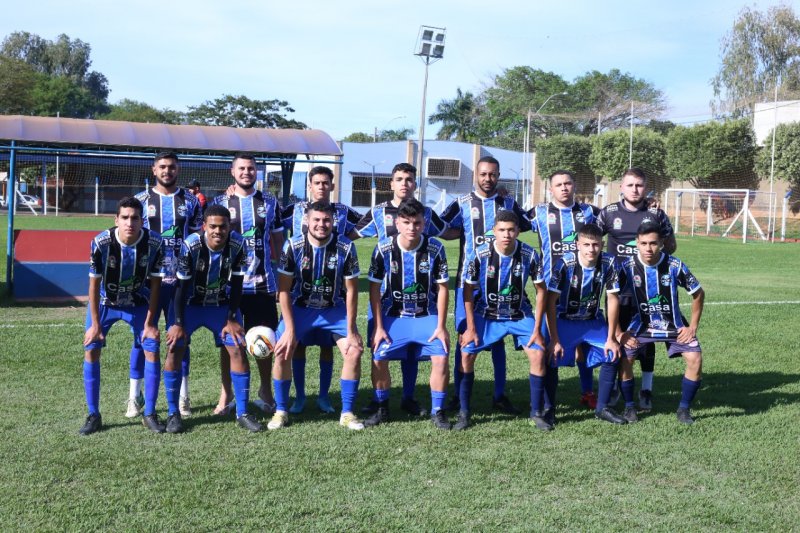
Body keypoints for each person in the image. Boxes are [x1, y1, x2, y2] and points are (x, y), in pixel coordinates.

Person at [351, 162, 448, 417]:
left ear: (415, 184)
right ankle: (379, 401)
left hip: (420, 299)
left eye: (409, 179)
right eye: (399, 179)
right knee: (380, 349)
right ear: (391, 183)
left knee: (412, 353)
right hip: (385, 299)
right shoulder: (378, 212)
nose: (404, 183)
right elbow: (351, 233)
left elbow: (448, 232)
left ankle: (408, 397)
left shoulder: (424, 213)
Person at [440, 155, 532, 414]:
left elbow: (525, 223)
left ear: (498, 174)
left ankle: (499, 395)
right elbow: (444, 227)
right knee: (465, 337)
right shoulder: (462, 203)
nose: (488, 179)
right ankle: (459, 395)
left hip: (503, 280)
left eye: (492, 174)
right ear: (475, 176)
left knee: (498, 338)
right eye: (483, 174)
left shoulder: (508, 202)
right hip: (469, 283)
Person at [164, 204, 262, 433]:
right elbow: (180, 287)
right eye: (213, 227)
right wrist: (178, 323)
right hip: (189, 304)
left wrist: (231, 318)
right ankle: (172, 413)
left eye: (223, 227)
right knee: (175, 347)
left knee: (237, 346)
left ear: (230, 227)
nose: (218, 231)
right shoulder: (191, 245)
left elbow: (237, 284)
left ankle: (243, 412)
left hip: (220, 305)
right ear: (204, 226)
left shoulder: (238, 244)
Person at [269, 202, 365, 431]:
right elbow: (283, 290)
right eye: (317, 220)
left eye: (326, 220)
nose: (321, 225)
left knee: (354, 350)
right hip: (300, 309)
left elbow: (351, 290)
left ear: (333, 222)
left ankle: (347, 412)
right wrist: (290, 330)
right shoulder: (293, 246)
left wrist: (351, 330)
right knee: (282, 350)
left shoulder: (346, 247)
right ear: (307, 221)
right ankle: (281, 410)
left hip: (334, 309)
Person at [363, 198, 452, 430]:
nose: (412, 228)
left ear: (424, 224)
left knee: (441, 355)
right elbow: (373, 289)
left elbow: (443, 288)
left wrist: (441, 326)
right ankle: (382, 408)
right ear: (397, 223)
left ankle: (438, 411)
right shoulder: (383, 248)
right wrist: (379, 327)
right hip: (394, 316)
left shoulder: (435, 248)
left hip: (426, 315)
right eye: (407, 222)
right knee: (379, 356)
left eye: (417, 223)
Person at [79, 197, 165, 435]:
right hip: (107, 301)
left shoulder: (155, 243)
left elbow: (156, 285)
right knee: (91, 346)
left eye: (135, 218)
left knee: (151, 346)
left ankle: (149, 414)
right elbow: (94, 286)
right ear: (116, 220)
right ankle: (93, 414)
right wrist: (95, 325)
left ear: (142, 221)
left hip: (138, 301)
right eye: (124, 218)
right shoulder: (101, 243)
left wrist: (150, 323)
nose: (130, 223)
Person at [280, 166, 361, 415]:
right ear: (309, 185)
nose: (321, 187)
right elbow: (269, 221)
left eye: (326, 183)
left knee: (329, 346)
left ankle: (325, 398)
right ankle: (299, 398)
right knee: (297, 344)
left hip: (331, 296)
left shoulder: (343, 212)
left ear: (332, 186)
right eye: (317, 183)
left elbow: (368, 224)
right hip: (300, 293)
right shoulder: (293, 211)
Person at [596, 167, 676, 411]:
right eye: (630, 185)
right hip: (618, 289)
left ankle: (646, 389)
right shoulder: (608, 213)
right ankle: (616, 388)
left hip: (648, 288)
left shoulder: (656, 214)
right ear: (621, 187)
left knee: (649, 338)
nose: (634, 189)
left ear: (646, 187)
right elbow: (591, 241)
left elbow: (671, 247)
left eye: (639, 185)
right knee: (617, 336)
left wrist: (658, 245)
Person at [210, 154, 284, 416]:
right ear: (232, 172)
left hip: (263, 284)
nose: (246, 172)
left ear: (257, 172)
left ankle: (265, 392)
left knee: (265, 340)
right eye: (241, 168)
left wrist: (281, 279)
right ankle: (227, 394)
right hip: (229, 286)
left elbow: (277, 242)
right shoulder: (221, 202)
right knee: (230, 343)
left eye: (251, 168)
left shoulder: (269, 202)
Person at [459, 210, 546, 431]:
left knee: (537, 353)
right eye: (502, 230)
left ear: (517, 231)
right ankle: (464, 412)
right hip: (486, 313)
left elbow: (541, 290)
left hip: (519, 313)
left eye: (511, 230)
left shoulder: (530, 254)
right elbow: (467, 292)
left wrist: (537, 328)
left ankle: (537, 412)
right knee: (467, 353)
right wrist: (470, 328)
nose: (506, 234)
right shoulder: (479, 254)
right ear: (494, 231)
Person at [132, 152, 202, 418]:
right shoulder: (140, 201)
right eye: (162, 166)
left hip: (179, 283)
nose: (167, 171)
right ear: (154, 170)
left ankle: (183, 396)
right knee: (142, 338)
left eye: (172, 167)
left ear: (178, 169)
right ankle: (133, 397)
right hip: (148, 284)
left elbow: (198, 239)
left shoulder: (191, 201)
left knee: (179, 339)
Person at [615, 222, 704, 424]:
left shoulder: (675, 265)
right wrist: (619, 332)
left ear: (662, 243)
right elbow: (612, 297)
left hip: (674, 325)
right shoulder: (627, 267)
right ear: (636, 243)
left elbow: (698, 293)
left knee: (695, 358)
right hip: (641, 324)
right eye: (644, 243)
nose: (648, 248)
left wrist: (692, 327)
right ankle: (629, 407)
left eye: (653, 243)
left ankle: (684, 409)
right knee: (625, 359)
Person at [527, 170, 601, 410]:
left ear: (575, 185)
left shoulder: (589, 212)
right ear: (551, 189)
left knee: (584, 343)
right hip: (552, 290)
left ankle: (588, 391)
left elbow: (612, 233)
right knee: (552, 347)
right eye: (558, 184)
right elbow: (507, 226)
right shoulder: (538, 213)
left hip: (584, 289)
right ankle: (549, 400)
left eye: (568, 183)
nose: (564, 188)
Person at [541, 223, 626, 429]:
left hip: (592, 320)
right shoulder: (564, 264)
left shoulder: (609, 262)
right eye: (586, 244)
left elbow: (613, 299)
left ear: (602, 245)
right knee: (551, 356)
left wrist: (612, 337)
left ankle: (602, 407)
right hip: (565, 320)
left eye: (596, 245)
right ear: (577, 244)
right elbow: (550, 302)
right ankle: (549, 408)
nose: (591, 249)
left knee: (613, 353)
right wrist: (554, 338)